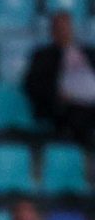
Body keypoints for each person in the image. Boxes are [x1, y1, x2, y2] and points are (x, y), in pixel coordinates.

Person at [23, 12, 95, 143]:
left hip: (91, 103)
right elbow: (33, 85)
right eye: (60, 28)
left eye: (67, 27)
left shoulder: (88, 53)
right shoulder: (43, 56)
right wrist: (58, 94)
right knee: (79, 116)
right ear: (53, 31)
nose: (64, 32)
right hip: (64, 108)